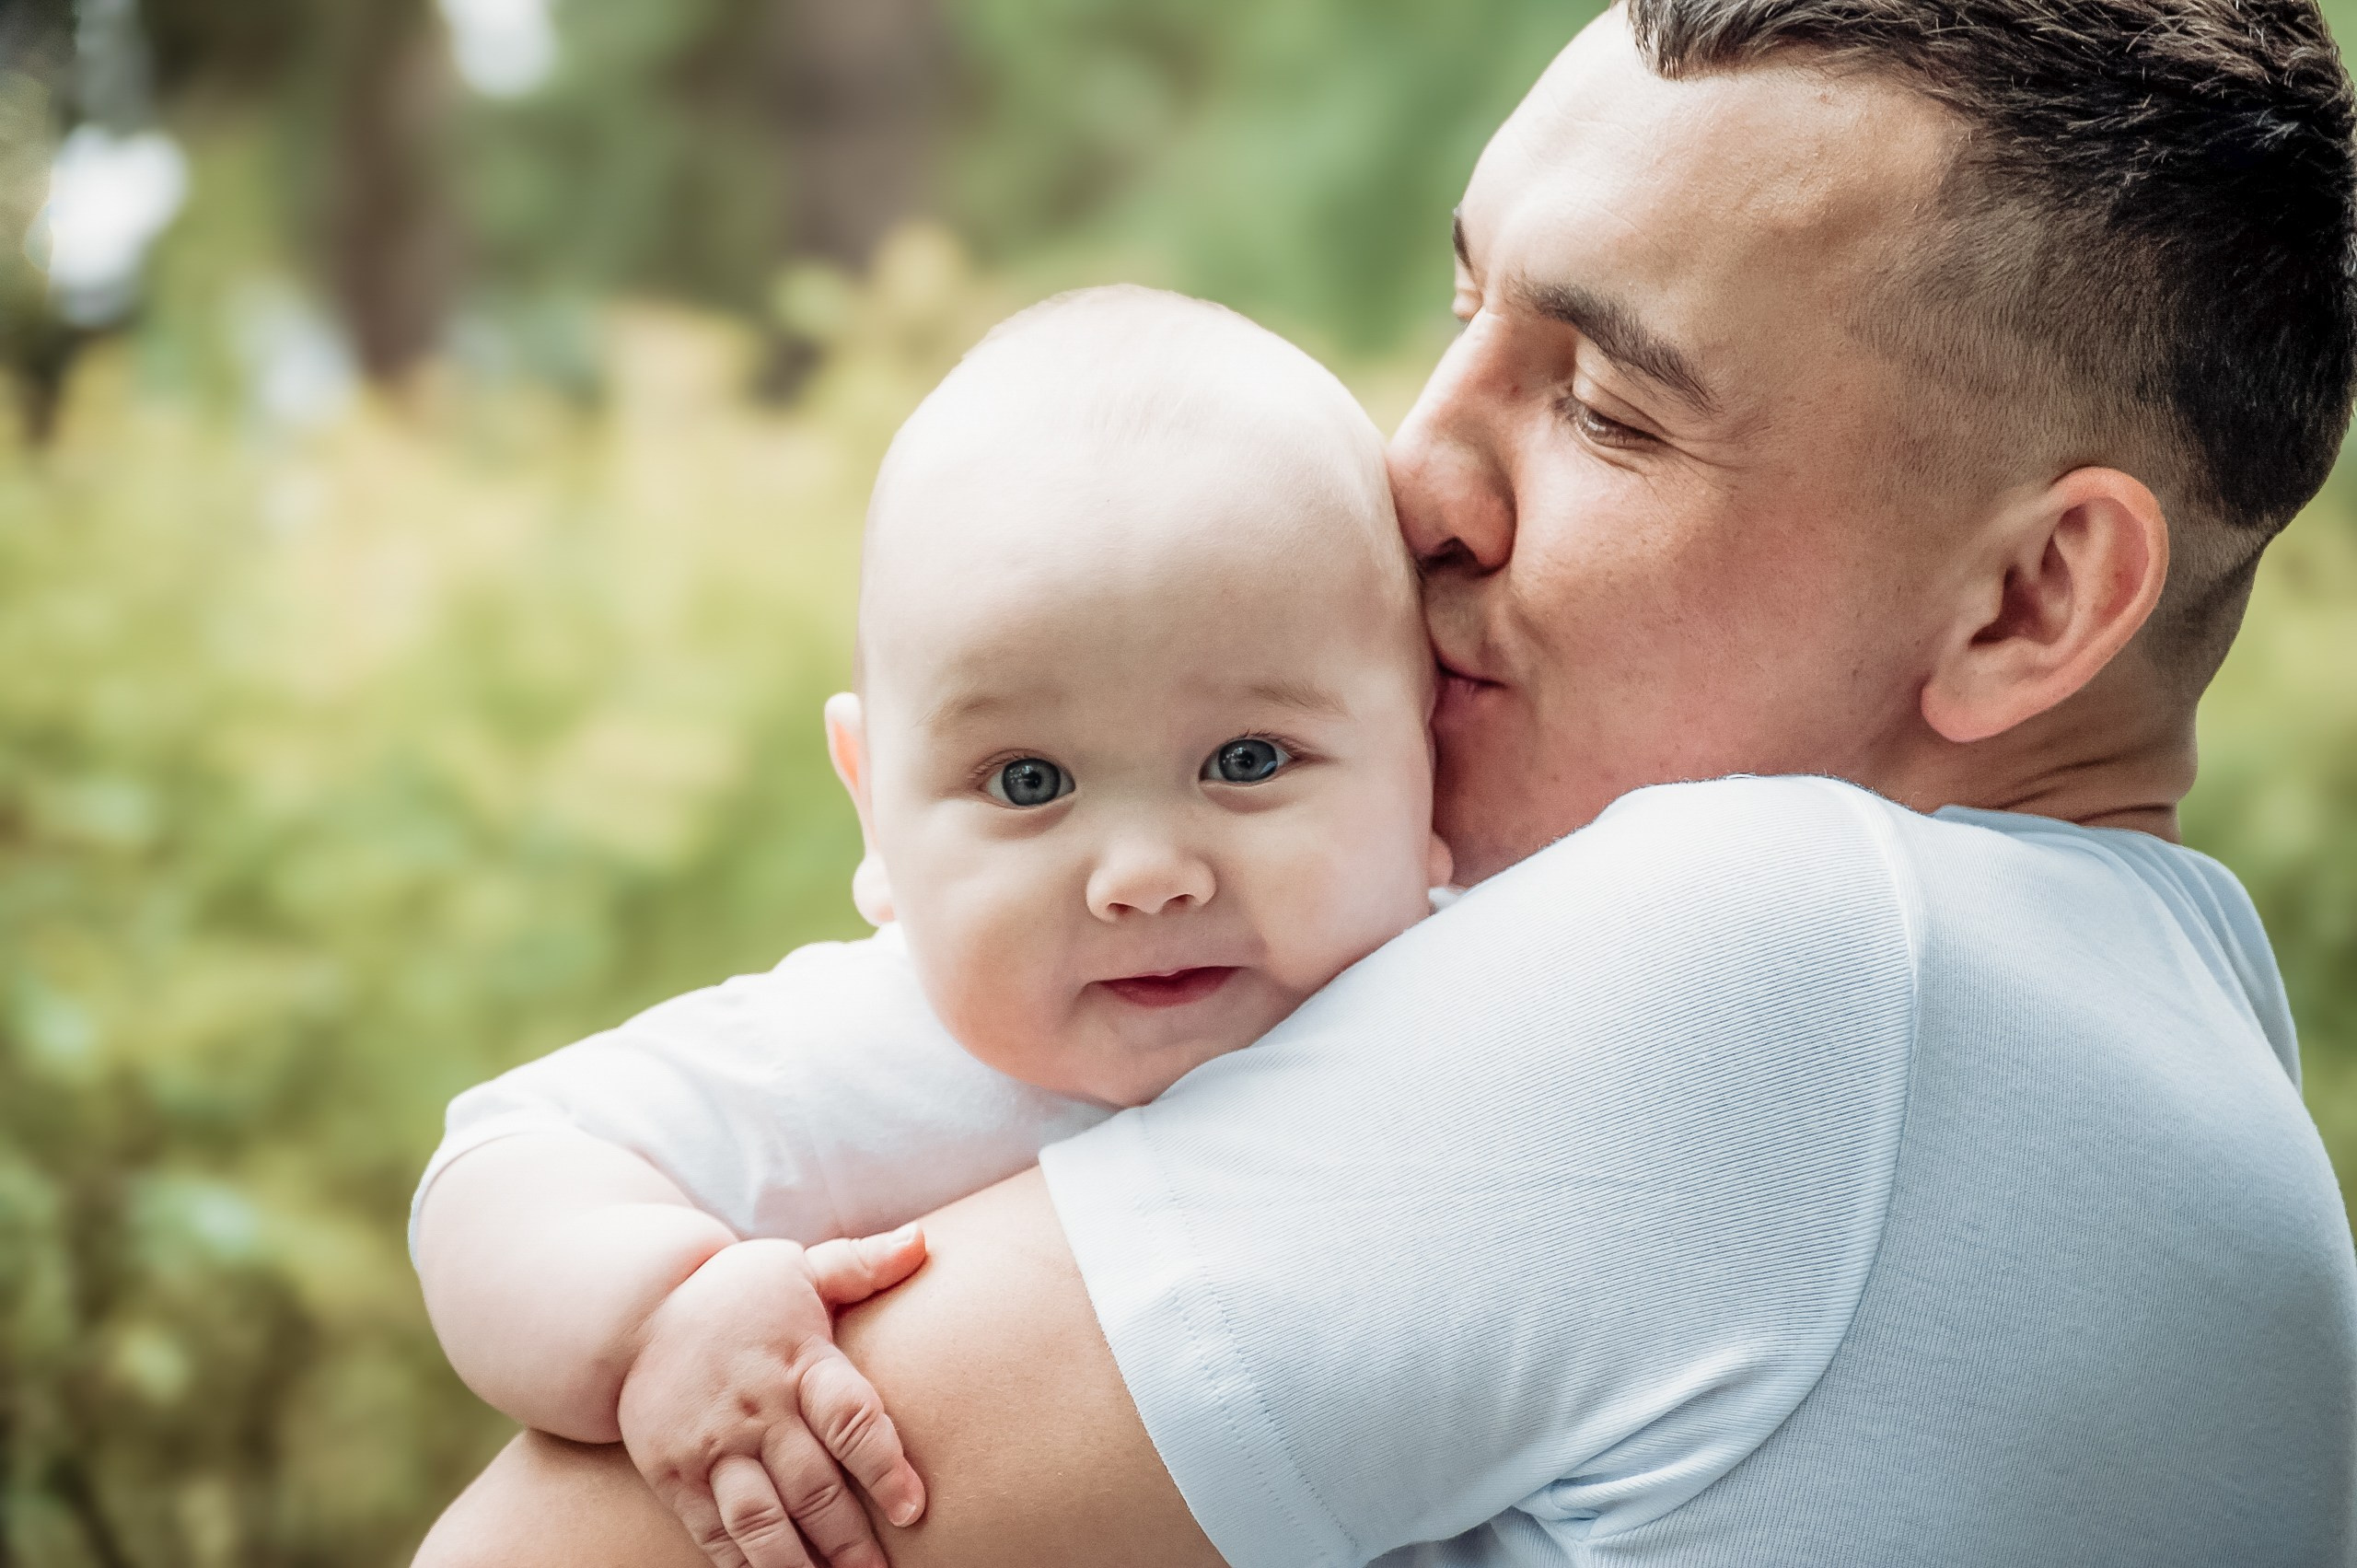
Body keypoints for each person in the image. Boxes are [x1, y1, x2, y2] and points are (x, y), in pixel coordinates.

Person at [415, 0, 2357, 1563]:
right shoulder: (2186, 1071)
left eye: (1604, 407)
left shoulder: (1794, 961)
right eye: (1456, 312)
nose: (1411, 474)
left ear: (2030, 599)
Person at [408, 286, 1454, 1568]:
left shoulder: (1496, 1001)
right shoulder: (865, 1056)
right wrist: (658, 1311)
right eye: (1029, 782)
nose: (1141, 875)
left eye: (1245, 758)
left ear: (1430, 751)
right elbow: (504, 1163)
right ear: (874, 809)